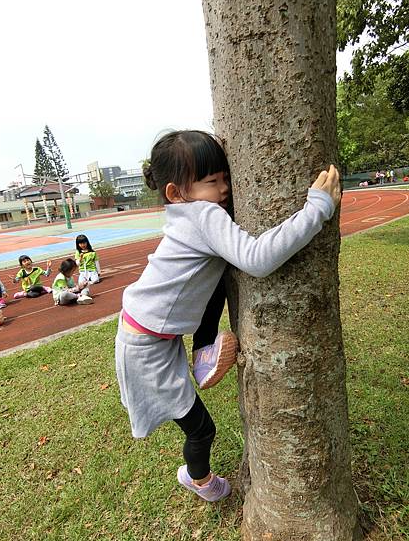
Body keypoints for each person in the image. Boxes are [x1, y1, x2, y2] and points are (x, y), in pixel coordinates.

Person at [115, 130, 341, 503]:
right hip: (147, 347)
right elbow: (257, 259)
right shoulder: (203, 213)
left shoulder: (185, 211)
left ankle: (204, 349)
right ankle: (198, 480)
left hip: (148, 330)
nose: (224, 189)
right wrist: (316, 209)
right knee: (200, 430)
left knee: (218, 271)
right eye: (212, 181)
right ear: (176, 192)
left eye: (226, 178)